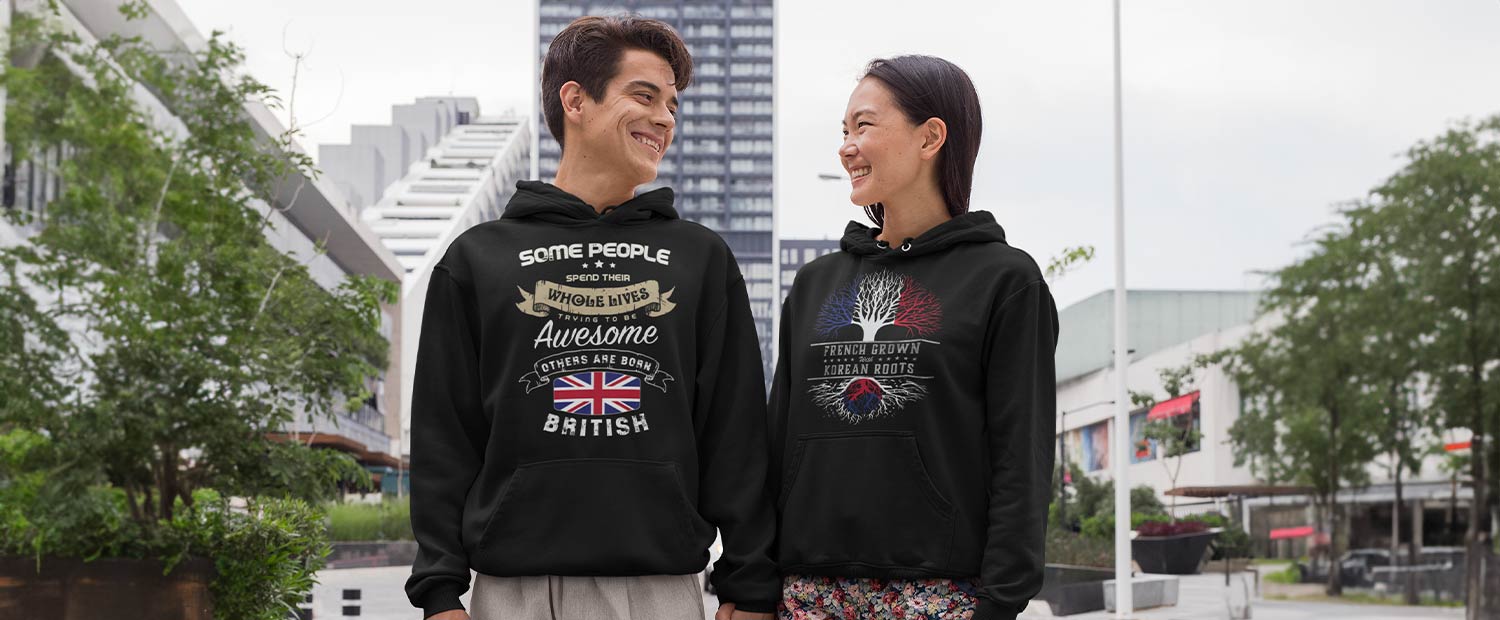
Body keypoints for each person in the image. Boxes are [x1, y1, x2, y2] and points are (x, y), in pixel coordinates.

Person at [404, 15, 778, 620]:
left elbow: (735, 432)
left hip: (661, 589)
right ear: (575, 100)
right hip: (511, 592)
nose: (666, 119)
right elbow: (445, 434)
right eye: (645, 96)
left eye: (672, 106)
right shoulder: (478, 258)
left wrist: (751, 582)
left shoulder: (701, 258)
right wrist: (440, 591)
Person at [768, 55, 1059, 620]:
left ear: (930, 137)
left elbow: (1021, 459)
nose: (847, 146)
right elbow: (776, 441)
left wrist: (1000, 602)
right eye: (844, 131)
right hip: (807, 591)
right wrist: (754, 575)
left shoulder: (1004, 280)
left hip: (939, 595)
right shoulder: (815, 283)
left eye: (864, 126)